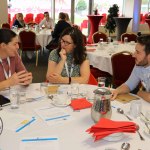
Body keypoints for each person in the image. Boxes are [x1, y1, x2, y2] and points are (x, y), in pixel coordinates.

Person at [111, 35, 150, 103]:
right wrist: (116, 91)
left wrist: (139, 93)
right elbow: (129, 85)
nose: (133, 55)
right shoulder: (139, 65)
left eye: (138, 52)